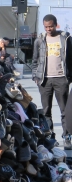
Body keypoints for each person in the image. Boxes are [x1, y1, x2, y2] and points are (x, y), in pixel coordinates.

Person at [33, 14, 72, 149]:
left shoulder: (65, 39)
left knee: (65, 111)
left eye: (51, 26)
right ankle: (50, 137)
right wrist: (36, 77)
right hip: (45, 80)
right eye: (46, 27)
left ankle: (67, 137)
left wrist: (69, 78)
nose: (48, 29)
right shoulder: (39, 40)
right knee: (46, 111)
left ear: (56, 25)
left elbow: (71, 59)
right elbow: (35, 60)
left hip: (61, 79)